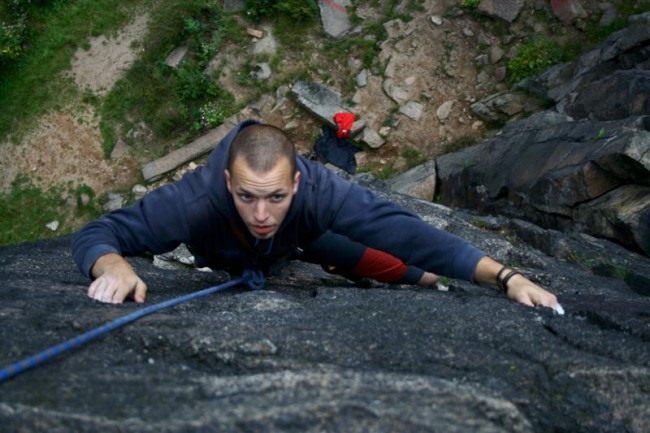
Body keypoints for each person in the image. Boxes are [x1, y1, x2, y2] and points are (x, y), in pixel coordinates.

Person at [72, 120, 561, 313]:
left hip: (303, 240)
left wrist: (506, 277)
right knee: (336, 251)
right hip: (230, 256)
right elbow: (100, 231)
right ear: (226, 184)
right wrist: (111, 263)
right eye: (246, 197)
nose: (262, 214)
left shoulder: (322, 193)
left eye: (276, 197)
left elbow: (405, 232)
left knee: (374, 257)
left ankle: (435, 283)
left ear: (299, 184)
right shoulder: (194, 201)